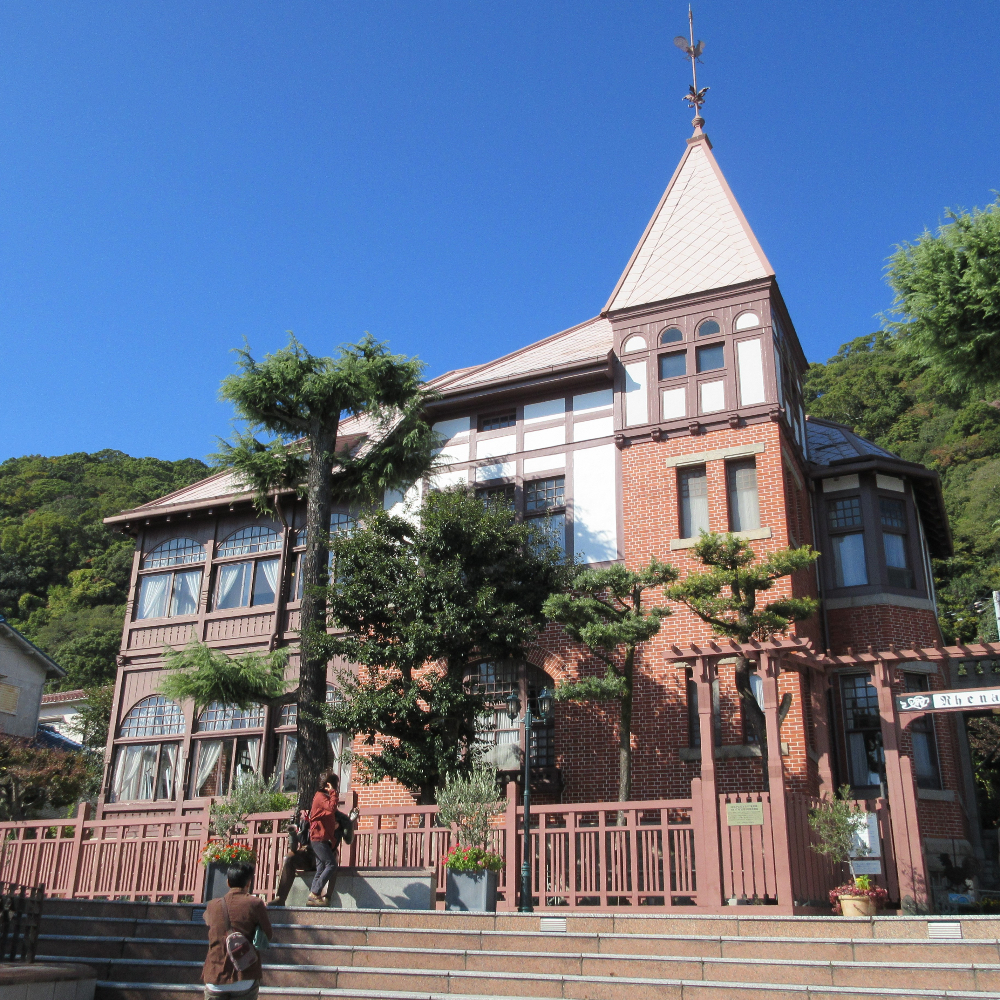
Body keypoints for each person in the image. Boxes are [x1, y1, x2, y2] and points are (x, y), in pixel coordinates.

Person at [201, 861, 272, 1000]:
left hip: (215, 976)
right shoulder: (255, 903)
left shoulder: (212, 905)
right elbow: (268, 934)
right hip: (245, 976)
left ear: (228, 882)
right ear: (248, 883)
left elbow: (209, 923)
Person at [307, 771, 341, 906]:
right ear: (329, 785)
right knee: (331, 864)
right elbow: (332, 808)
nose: (336, 787)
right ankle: (315, 893)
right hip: (318, 838)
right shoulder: (321, 797)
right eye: (335, 785)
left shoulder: (322, 797)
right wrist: (333, 792)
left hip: (321, 838)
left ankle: (312, 897)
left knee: (321, 868)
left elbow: (327, 814)